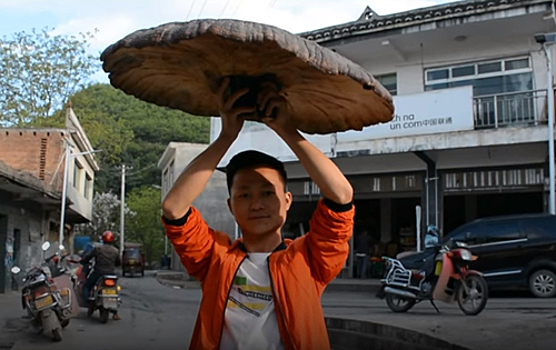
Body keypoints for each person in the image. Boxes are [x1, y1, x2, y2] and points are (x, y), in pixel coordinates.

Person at [161, 78, 355, 350]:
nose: (256, 204)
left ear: (287, 201)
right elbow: (173, 209)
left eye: (267, 193)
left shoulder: (310, 259)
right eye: (244, 195)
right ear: (231, 206)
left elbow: (342, 197)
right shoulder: (214, 257)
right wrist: (226, 137)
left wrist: (288, 130)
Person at [81, 230, 122, 320]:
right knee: (114, 290)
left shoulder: (98, 249)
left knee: (86, 286)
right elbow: (118, 263)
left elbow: (88, 257)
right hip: (110, 274)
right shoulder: (115, 251)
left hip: (98, 273)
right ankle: (115, 312)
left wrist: (83, 260)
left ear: (103, 239)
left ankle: (88, 301)